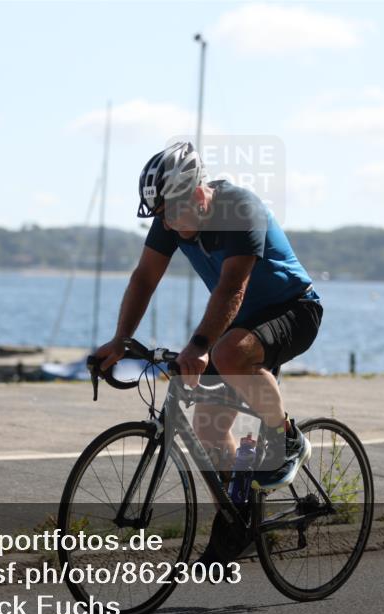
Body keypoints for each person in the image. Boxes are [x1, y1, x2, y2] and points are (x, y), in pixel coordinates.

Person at [95, 141, 323, 563]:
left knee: (231, 352)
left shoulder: (240, 209)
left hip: (294, 309)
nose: (168, 221)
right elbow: (145, 277)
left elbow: (233, 287)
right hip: (238, 325)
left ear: (197, 191)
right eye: (161, 214)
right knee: (209, 427)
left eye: (173, 210)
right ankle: (237, 519)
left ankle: (287, 436)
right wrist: (122, 339)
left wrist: (200, 346)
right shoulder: (169, 217)